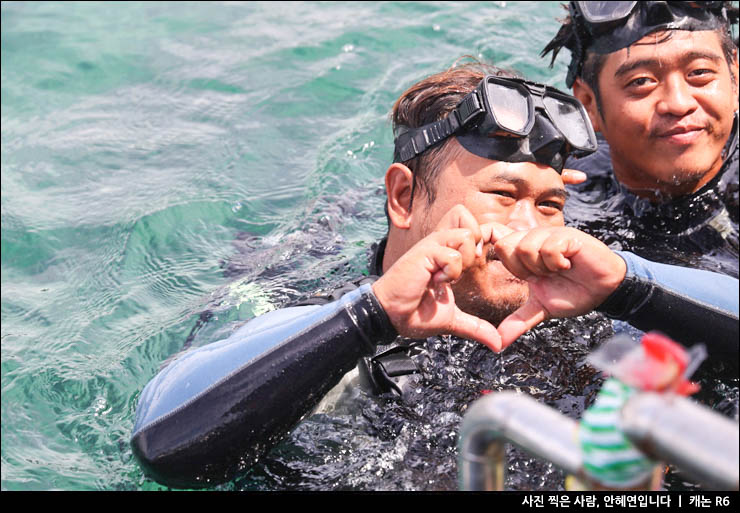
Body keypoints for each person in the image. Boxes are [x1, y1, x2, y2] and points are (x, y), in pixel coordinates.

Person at [130, 62, 738, 489]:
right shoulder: (305, 310)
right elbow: (164, 447)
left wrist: (628, 284)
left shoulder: (589, 296)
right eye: (503, 195)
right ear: (402, 198)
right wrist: (370, 317)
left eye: (550, 205)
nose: (532, 229)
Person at [541, 1, 739, 276]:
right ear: (588, 103)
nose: (678, 103)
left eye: (699, 73)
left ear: (735, 79)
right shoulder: (557, 207)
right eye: (641, 81)